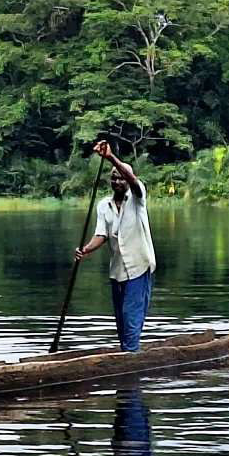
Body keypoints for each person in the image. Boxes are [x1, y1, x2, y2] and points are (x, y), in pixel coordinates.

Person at [73, 140, 155, 351]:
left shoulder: (138, 197)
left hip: (139, 267)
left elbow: (134, 181)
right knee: (121, 323)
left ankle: (131, 359)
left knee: (131, 318)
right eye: (114, 178)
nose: (118, 181)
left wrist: (111, 158)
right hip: (117, 271)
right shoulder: (103, 206)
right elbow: (101, 235)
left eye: (121, 178)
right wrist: (85, 250)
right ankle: (128, 355)